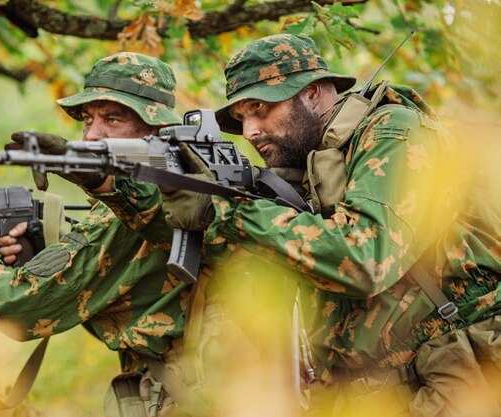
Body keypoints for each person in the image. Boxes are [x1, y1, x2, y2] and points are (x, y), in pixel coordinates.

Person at [159, 34, 501, 416]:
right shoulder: (306, 170)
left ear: (313, 93)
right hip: (369, 394)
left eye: (259, 108)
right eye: (241, 118)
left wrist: (232, 211)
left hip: (458, 378)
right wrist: (126, 188)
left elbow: (364, 258)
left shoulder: (393, 131)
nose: (251, 131)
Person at [0, 52, 193, 417]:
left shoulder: (142, 209)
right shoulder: (170, 197)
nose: (93, 133)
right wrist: (46, 252)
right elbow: (111, 313)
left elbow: (15, 311)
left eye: (112, 119)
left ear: (155, 131)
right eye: (88, 119)